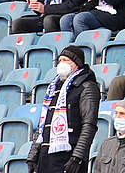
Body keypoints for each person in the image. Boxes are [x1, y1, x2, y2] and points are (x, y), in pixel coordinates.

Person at [28, 45, 100, 173]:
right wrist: (33, 154)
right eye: (60, 60)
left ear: (77, 64)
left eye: (66, 60)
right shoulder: (54, 88)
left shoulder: (87, 87)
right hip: (45, 157)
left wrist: (77, 157)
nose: (62, 64)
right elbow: (43, 124)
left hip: (68, 157)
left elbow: (89, 125)